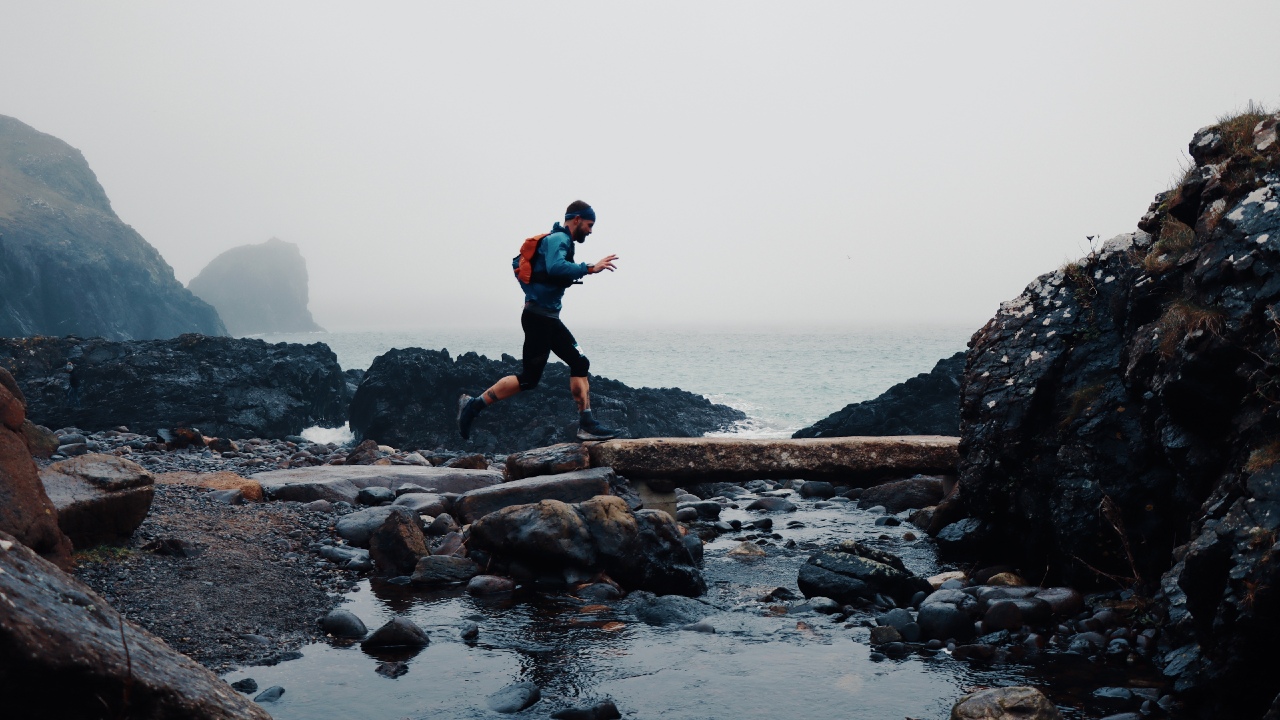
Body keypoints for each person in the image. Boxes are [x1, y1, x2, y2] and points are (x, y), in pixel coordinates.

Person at [458, 200, 620, 441]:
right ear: (576, 219)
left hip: (548, 318)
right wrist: (589, 268)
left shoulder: (560, 241)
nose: (590, 230)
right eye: (589, 224)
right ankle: (473, 406)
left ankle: (586, 423)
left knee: (580, 362)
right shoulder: (559, 240)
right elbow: (556, 268)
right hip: (538, 319)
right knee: (529, 379)